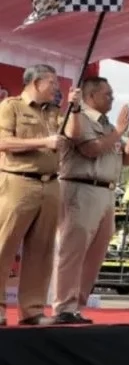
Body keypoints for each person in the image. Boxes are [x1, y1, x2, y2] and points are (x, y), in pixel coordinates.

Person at [53, 77, 129, 324]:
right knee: (73, 249)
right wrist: (119, 130)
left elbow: (125, 160)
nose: (112, 98)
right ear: (91, 96)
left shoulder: (108, 125)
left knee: (96, 252)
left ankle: (77, 305)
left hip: (107, 191)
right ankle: (63, 306)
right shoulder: (80, 118)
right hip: (80, 186)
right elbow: (90, 149)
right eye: (107, 94)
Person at [0, 64, 80, 326]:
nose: (57, 88)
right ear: (36, 83)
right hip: (17, 182)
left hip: (50, 184)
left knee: (42, 249)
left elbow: (73, 135)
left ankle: (32, 310)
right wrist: (42, 143)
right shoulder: (11, 106)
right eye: (52, 83)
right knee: (4, 245)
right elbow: (3, 142)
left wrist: (75, 108)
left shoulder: (54, 112)